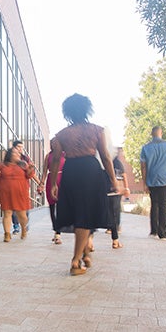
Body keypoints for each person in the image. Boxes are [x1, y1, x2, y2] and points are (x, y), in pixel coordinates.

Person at [49, 94, 118, 276]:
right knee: (86, 215)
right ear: (87, 109)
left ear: (67, 112)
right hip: (90, 171)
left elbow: (56, 159)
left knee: (79, 212)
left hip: (71, 172)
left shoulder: (61, 134)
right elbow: (105, 156)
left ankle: (86, 254)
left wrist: (54, 183)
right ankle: (75, 261)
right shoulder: (97, 130)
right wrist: (113, 179)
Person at [140, 126, 166, 241]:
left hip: (152, 179)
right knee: (163, 205)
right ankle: (162, 233)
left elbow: (143, 166)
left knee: (154, 204)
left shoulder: (146, 148)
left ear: (152, 134)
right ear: (161, 133)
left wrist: (145, 182)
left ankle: (153, 231)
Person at [0, 146, 35, 242]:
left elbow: (29, 175)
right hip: (6, 193)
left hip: (20, 193)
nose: (18, 154)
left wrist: (31, 169)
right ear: (10, 155)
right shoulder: (2, 165)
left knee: (22, 215)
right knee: (7, 213)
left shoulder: (23, 164)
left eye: (18, 153)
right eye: (15, 153)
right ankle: (7, 234)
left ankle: (23, 228)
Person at [38, 140, 65, 244]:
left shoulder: (65, 154)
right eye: (52, 143)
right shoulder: (48, 156)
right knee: (52, 207)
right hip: (51, 180)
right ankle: (56, 230)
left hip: (62, 180)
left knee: (61, 208)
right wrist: (41, 183)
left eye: (56, 142)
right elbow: (44, 171)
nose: (54, 144)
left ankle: (58, 233)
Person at [11, 140, 39, 234]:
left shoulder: (25, 159)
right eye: (18, 147)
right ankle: (16, 226)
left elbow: (31, 173)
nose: (20, 149)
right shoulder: (9, 158)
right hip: (12, 187)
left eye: (22, 147)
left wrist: (40, 183)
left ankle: (25, 224)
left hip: (23, 187)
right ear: (14, 147)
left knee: (25, 208)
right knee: (14, 209)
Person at [107, 152, 130, 249]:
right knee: (114, 212)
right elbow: (124, 176)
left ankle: (90, 242)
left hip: (106, 191)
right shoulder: (118, 163)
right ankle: (115, 240)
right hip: (116, 190)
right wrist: (126, 188)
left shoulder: (102, 162)